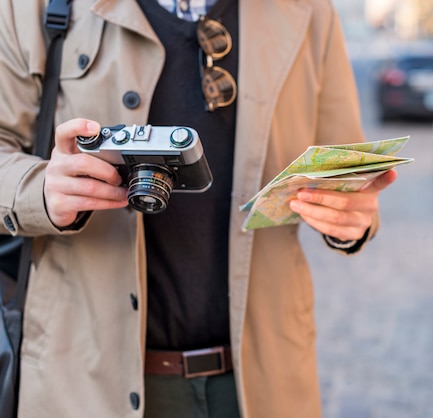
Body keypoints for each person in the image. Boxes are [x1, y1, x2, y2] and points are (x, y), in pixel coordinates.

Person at [0, 0, 398, 417]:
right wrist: (41, 191)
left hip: (263, 385)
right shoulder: (33, 6)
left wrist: (349, 218)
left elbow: (347, 169)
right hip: (87, 383)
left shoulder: (311, 12)